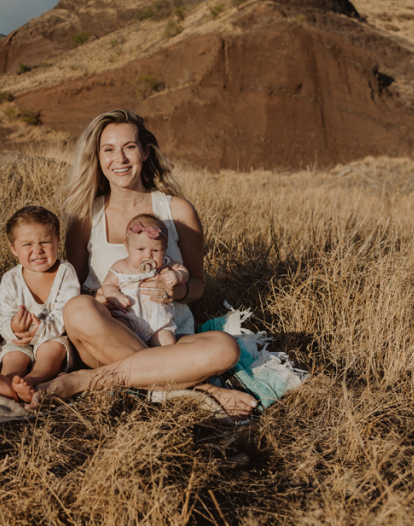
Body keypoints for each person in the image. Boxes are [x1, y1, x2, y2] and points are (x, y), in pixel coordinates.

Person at [30, 109, 257, 420]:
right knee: (78, 309)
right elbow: (73, 285)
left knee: (225, 348)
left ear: (146, 152)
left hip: (168, 332)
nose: (119, 159)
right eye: (108, 149)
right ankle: (200, 388)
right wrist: (99, 298)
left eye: (129, 147)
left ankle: (87, 381)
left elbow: (198, 286)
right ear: (97, 157)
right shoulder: (85, 217)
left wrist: (175, 292)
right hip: (110, 332)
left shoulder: (177, 210)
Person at [0, 206, 80, 402]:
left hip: (52, 336)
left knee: (52, 350)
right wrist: (13, 328)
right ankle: (7, 380)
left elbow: (65, 313)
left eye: (45, 242)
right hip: (20, 339)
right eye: (27, 244)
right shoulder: (10, 279)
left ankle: (32, 380)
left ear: (58, 241)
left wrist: (41, 331)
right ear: (13, 249)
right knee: (14, 355)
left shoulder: (66, 273)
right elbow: (2, 317)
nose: (37, 250)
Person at [99, 213, 189, 347]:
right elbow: (108, 285)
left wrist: (177, 276)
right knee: (120, 333)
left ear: (165, 250)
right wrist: (116, 296)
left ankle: (162, 360)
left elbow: (183, 271)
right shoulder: (121, 266)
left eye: (156, 250)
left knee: (168, 343)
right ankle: (137, 356)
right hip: (129, 318)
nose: (148, 255)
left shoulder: (164, 263)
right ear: (127, 246)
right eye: (141, 249)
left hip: (159, 323)